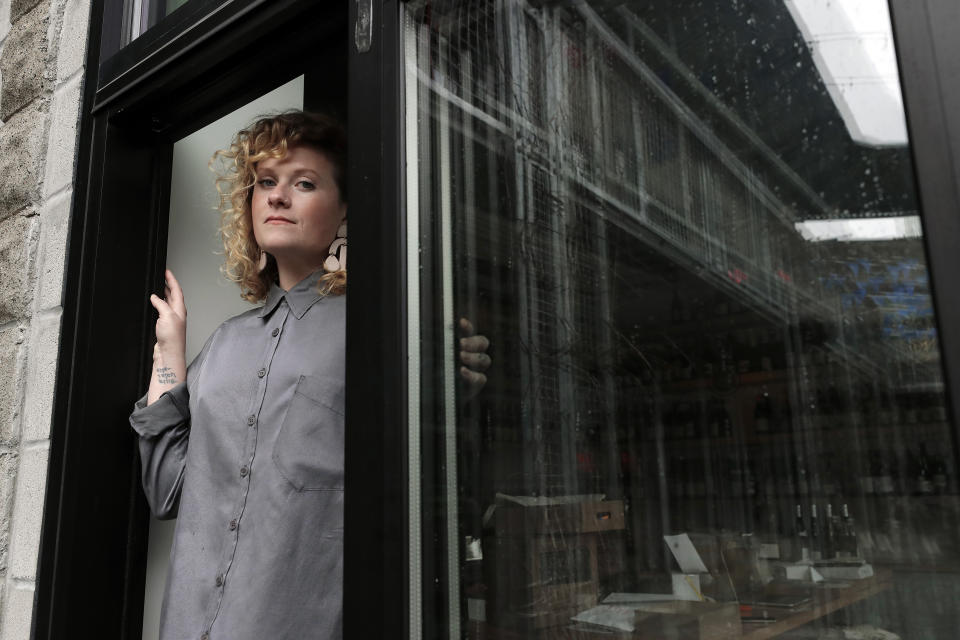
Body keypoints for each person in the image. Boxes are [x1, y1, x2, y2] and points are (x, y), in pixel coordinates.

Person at [129, 111, 491, 640]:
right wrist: (171, 353)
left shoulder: (386, 332)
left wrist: (456, 387)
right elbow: (167, 492)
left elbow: (430, 492)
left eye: (304, 183)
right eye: (265, 183)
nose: (276, 197)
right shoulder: (224, 344)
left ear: (345, 211)